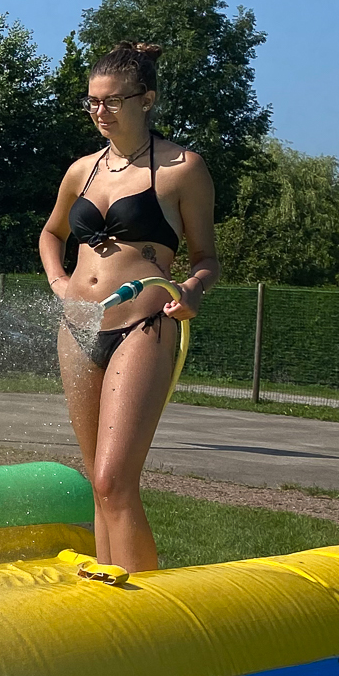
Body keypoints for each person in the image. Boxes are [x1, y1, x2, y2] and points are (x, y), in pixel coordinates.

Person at [38, 40, 218, 572]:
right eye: (93, 101)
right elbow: (51, 234)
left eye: (113, 100)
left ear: (147, 99)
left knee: (115, 479)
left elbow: (206, 258)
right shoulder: (82, 170)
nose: (101, 111)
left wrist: (192, 290)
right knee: (97, 482)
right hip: (77, 326)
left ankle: (148, 607)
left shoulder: (183, 168)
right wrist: (60, 281)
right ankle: (107, 592)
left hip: (143, 325)